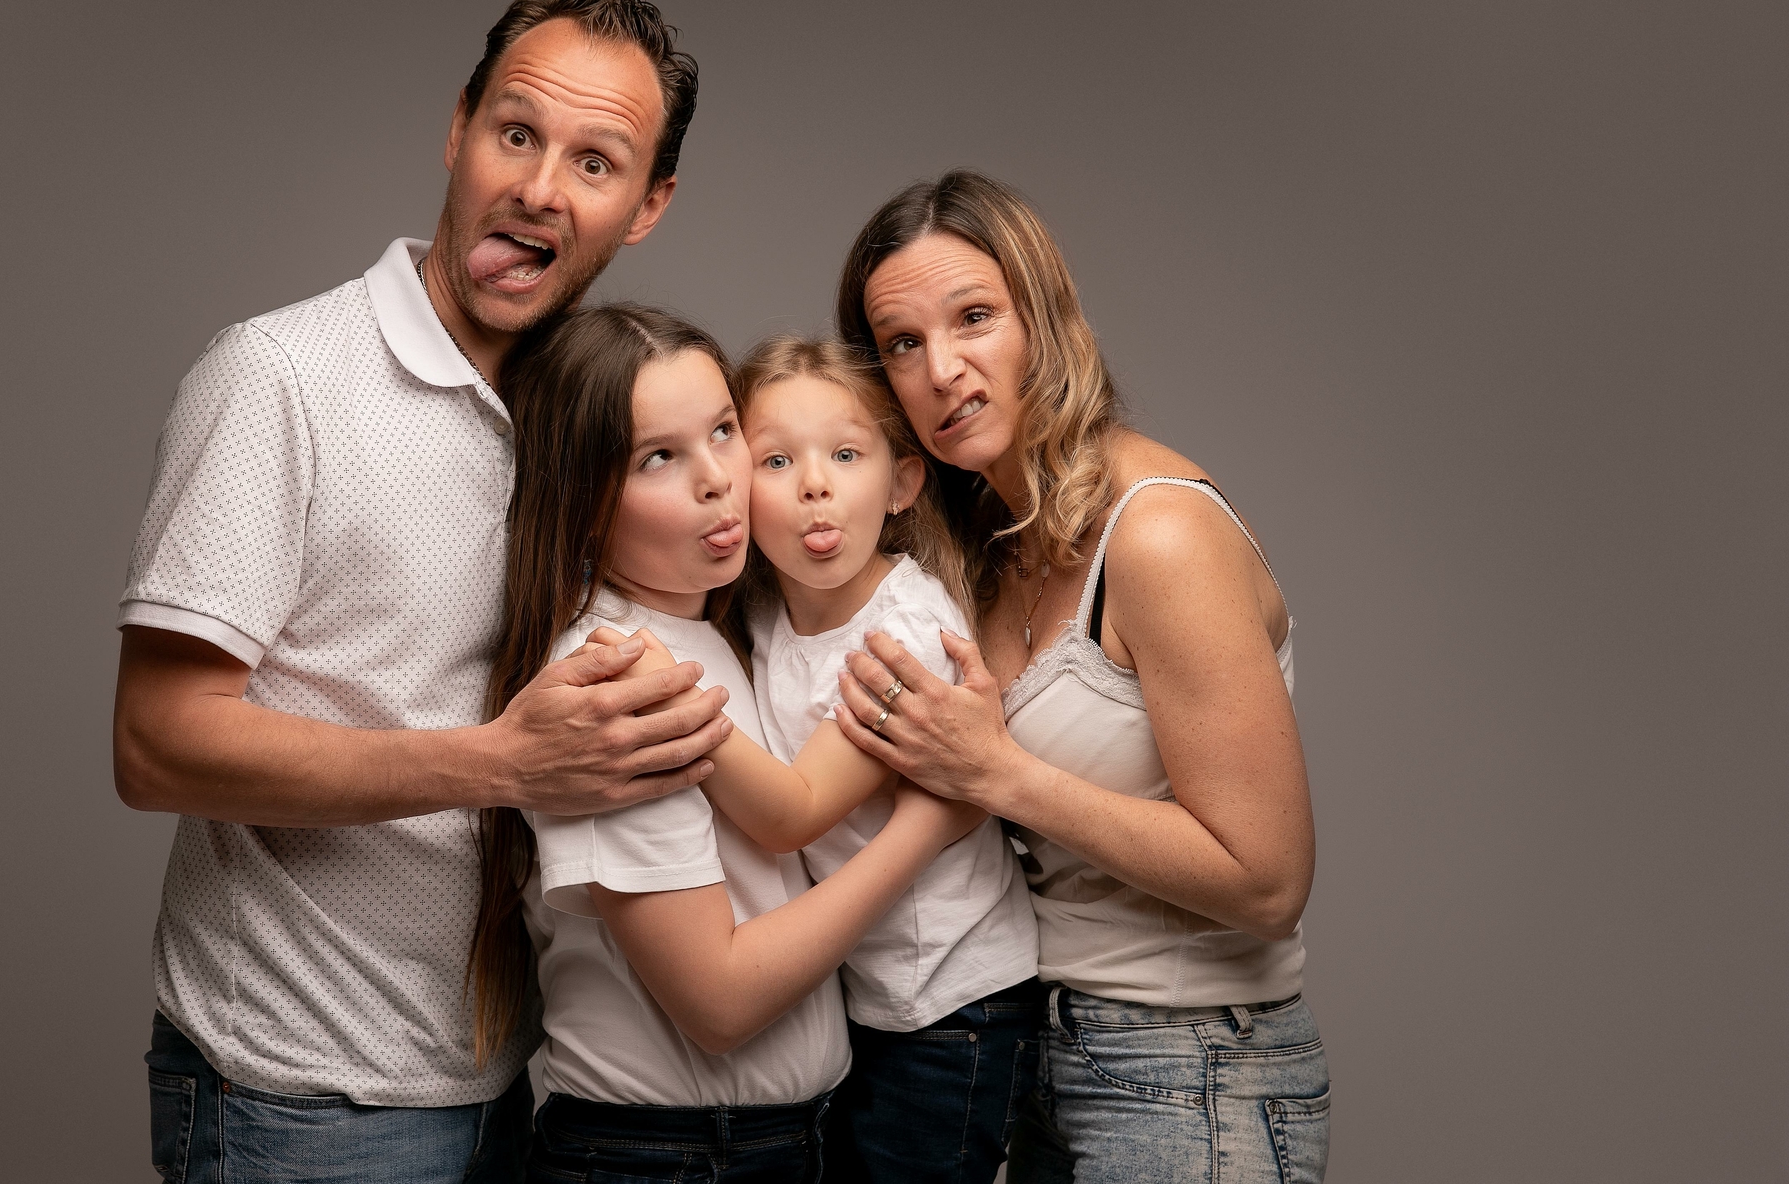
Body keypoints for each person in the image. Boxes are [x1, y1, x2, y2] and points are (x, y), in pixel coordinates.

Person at [112, 0, 727, 1182]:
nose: (540, 186)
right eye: (516, 132)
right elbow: (156, 743)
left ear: (648, 204)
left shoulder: (588, 419)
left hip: (519, 1087)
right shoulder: (281, 378)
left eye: (596, 162)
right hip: (301, 1094)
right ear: (458, 128)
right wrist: (499, 761)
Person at [828, 170, 1332, 1183]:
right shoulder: (982, 544)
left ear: (1044, 321)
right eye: (902, 344)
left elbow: (1269, 878)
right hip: (1037, 1057)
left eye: (975, 317)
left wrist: (999, 772)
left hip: (1194, 1068)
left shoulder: (1160, 535)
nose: (943, 368)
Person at [477, 303, 983, 1182]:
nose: (720, 479)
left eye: (723, 432)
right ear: (583, 500)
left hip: (762, 1141)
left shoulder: (727, 626)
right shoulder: (623, 681)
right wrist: (929, 825)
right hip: (671, 1156)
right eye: (659, 457)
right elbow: (718, 1000)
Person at [595, 333, 1042, 1181]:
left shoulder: (901, 636)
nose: (814, 487)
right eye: (774, 461)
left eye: (845, 454)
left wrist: (675, 703)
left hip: (955, 1004)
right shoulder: (762, 613)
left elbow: (792, 811)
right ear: (736, 490)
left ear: (903, 481)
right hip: (870, 997)